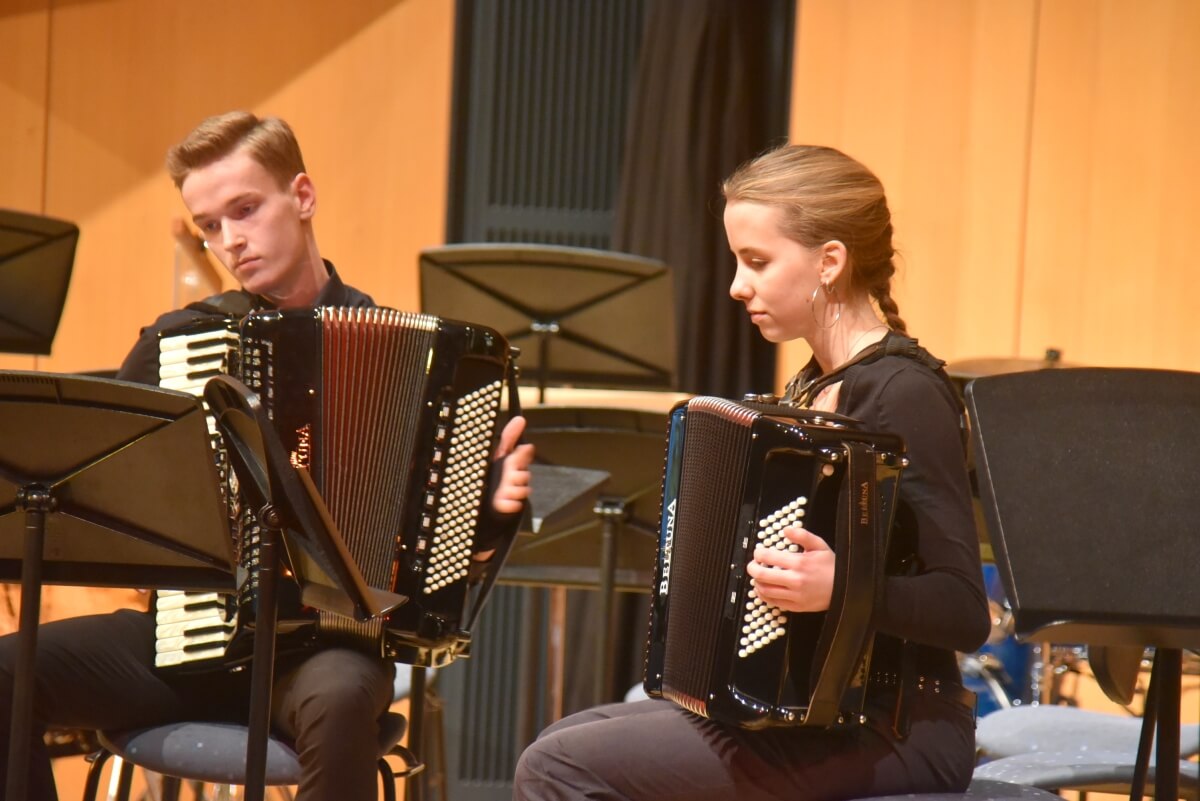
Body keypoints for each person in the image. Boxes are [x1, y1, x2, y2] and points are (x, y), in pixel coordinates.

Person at [0, 111, 535, 801]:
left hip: (323, 650)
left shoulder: (416, 369)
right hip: (187, 641)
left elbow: (437, 576)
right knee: (8, 672)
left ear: (303, 197)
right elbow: (98, 482)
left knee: (342, 700)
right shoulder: (182, 343)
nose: (230, 241)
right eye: (210, 226)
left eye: (244, 210)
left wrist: (487, 517)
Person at [512, 144, 990, 800]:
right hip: (808, 716)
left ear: (830, 262)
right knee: (562, 739)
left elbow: (966, 609)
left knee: (559, 766)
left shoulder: (905, 391)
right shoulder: (810, 388)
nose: (739, 285)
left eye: (757, 262)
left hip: (897, 727)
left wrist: (842, 588)